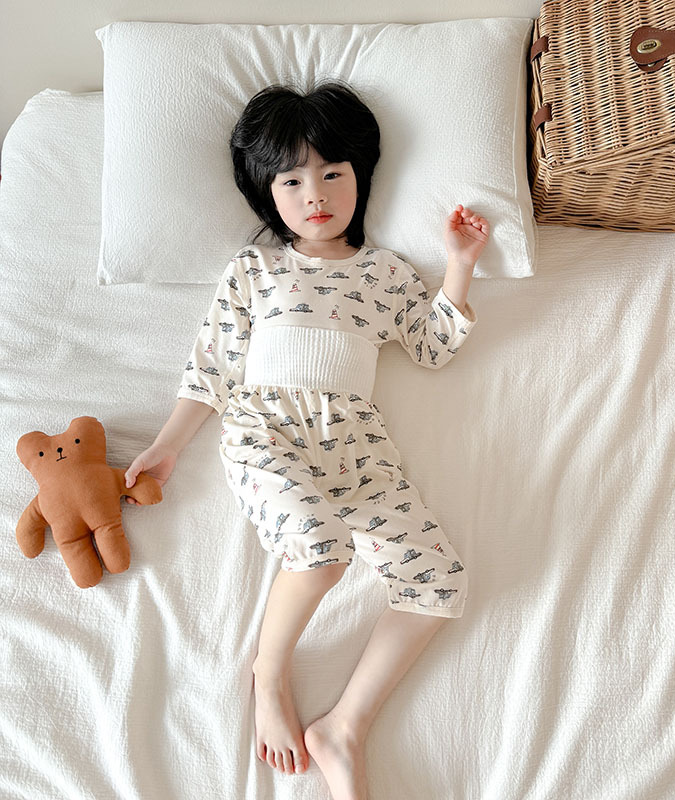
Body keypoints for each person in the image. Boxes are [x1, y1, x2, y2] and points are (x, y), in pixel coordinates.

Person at [124, 80, 489, 800]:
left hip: (355, 442)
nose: (315, 194)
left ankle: (344, 728)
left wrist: (460, 263)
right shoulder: (257, 269)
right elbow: (212, 367)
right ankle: (269, 675)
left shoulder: (386, 272)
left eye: (332, 174)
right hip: (267, 429)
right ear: (267, 194)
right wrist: (167, 446)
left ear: (360, 176)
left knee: (439, 580)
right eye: (291, 181)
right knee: (322, 550)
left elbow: (432, 347)